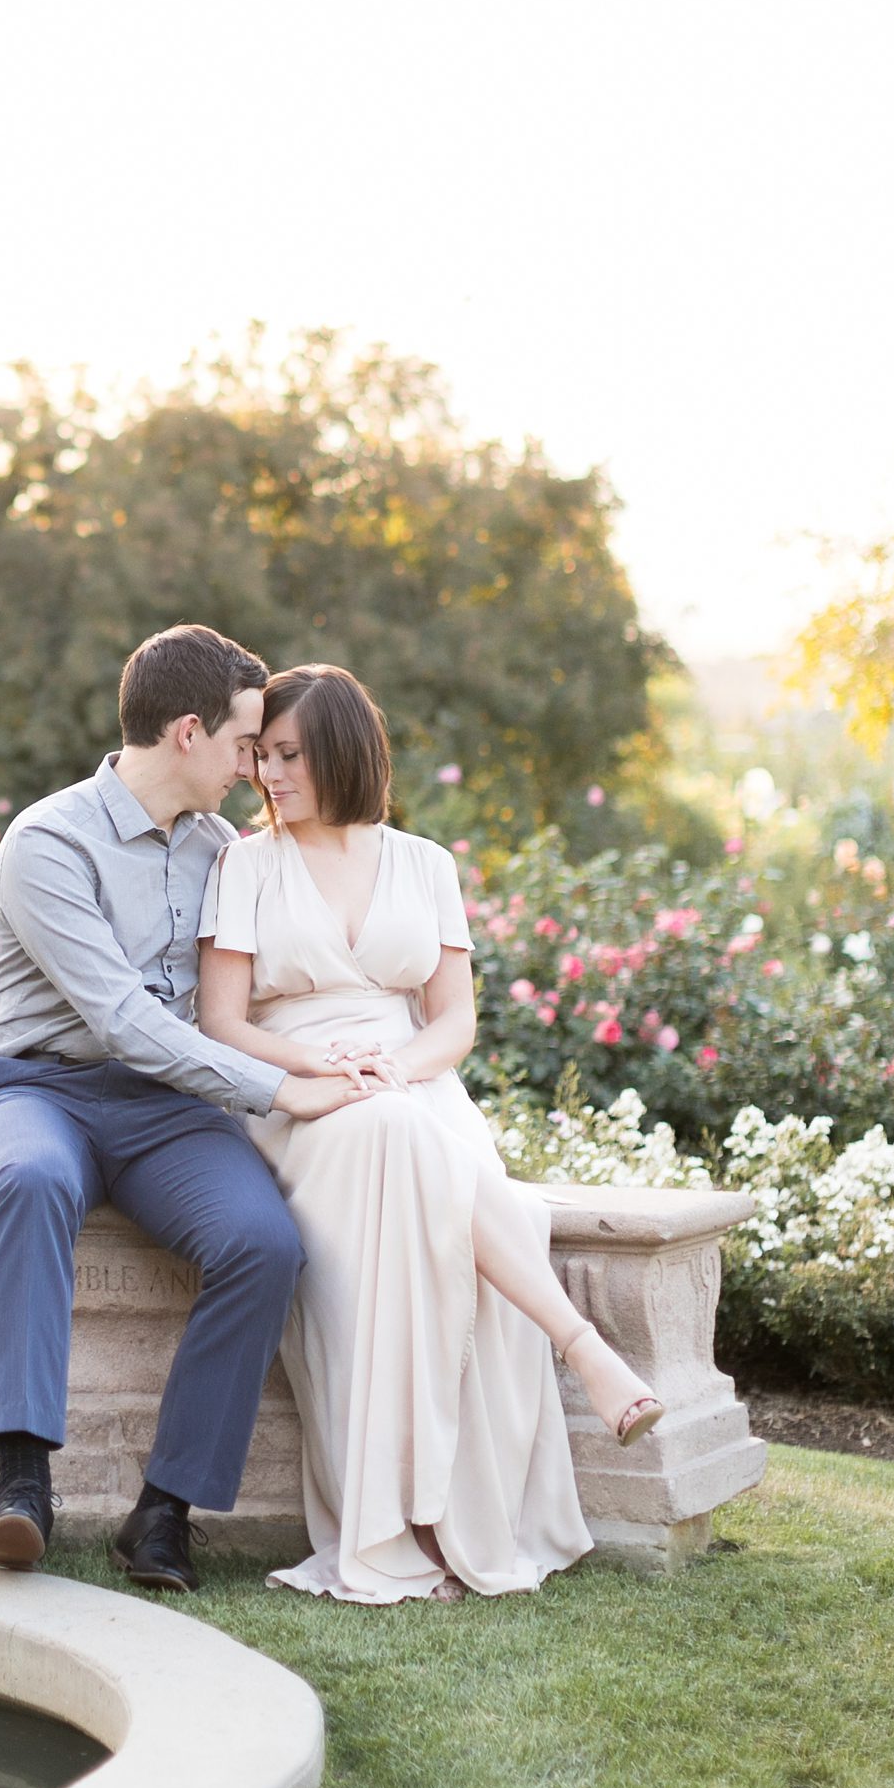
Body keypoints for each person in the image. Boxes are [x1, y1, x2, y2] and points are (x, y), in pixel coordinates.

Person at [196, 662, 663, 1603]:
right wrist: (331, 1073)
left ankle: (449, 1521)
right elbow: (223, 1025)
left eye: (287, 755)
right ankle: (581, 1348)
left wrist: (398, 1071)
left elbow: (454, 1021)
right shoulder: (244, 863)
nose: (268, 775)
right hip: (303, 1098)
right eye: (259, 757)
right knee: (401, 1143)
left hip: (414, 1083)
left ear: (339, 751)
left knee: (416, 1140)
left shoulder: (426, 864)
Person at [0, 625, 371, 1592]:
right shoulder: (48, 840)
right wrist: (280, 1090)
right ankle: (22, 1486)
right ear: (188, 733)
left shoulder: (223, 849)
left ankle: (164, 1513)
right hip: (37, 1088)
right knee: (30, 1180)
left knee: (263, 1242)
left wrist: (340, 1051)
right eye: (241, 743)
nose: (252, 766)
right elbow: (118, 1016)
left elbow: (251, 996)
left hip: (168, 1109)